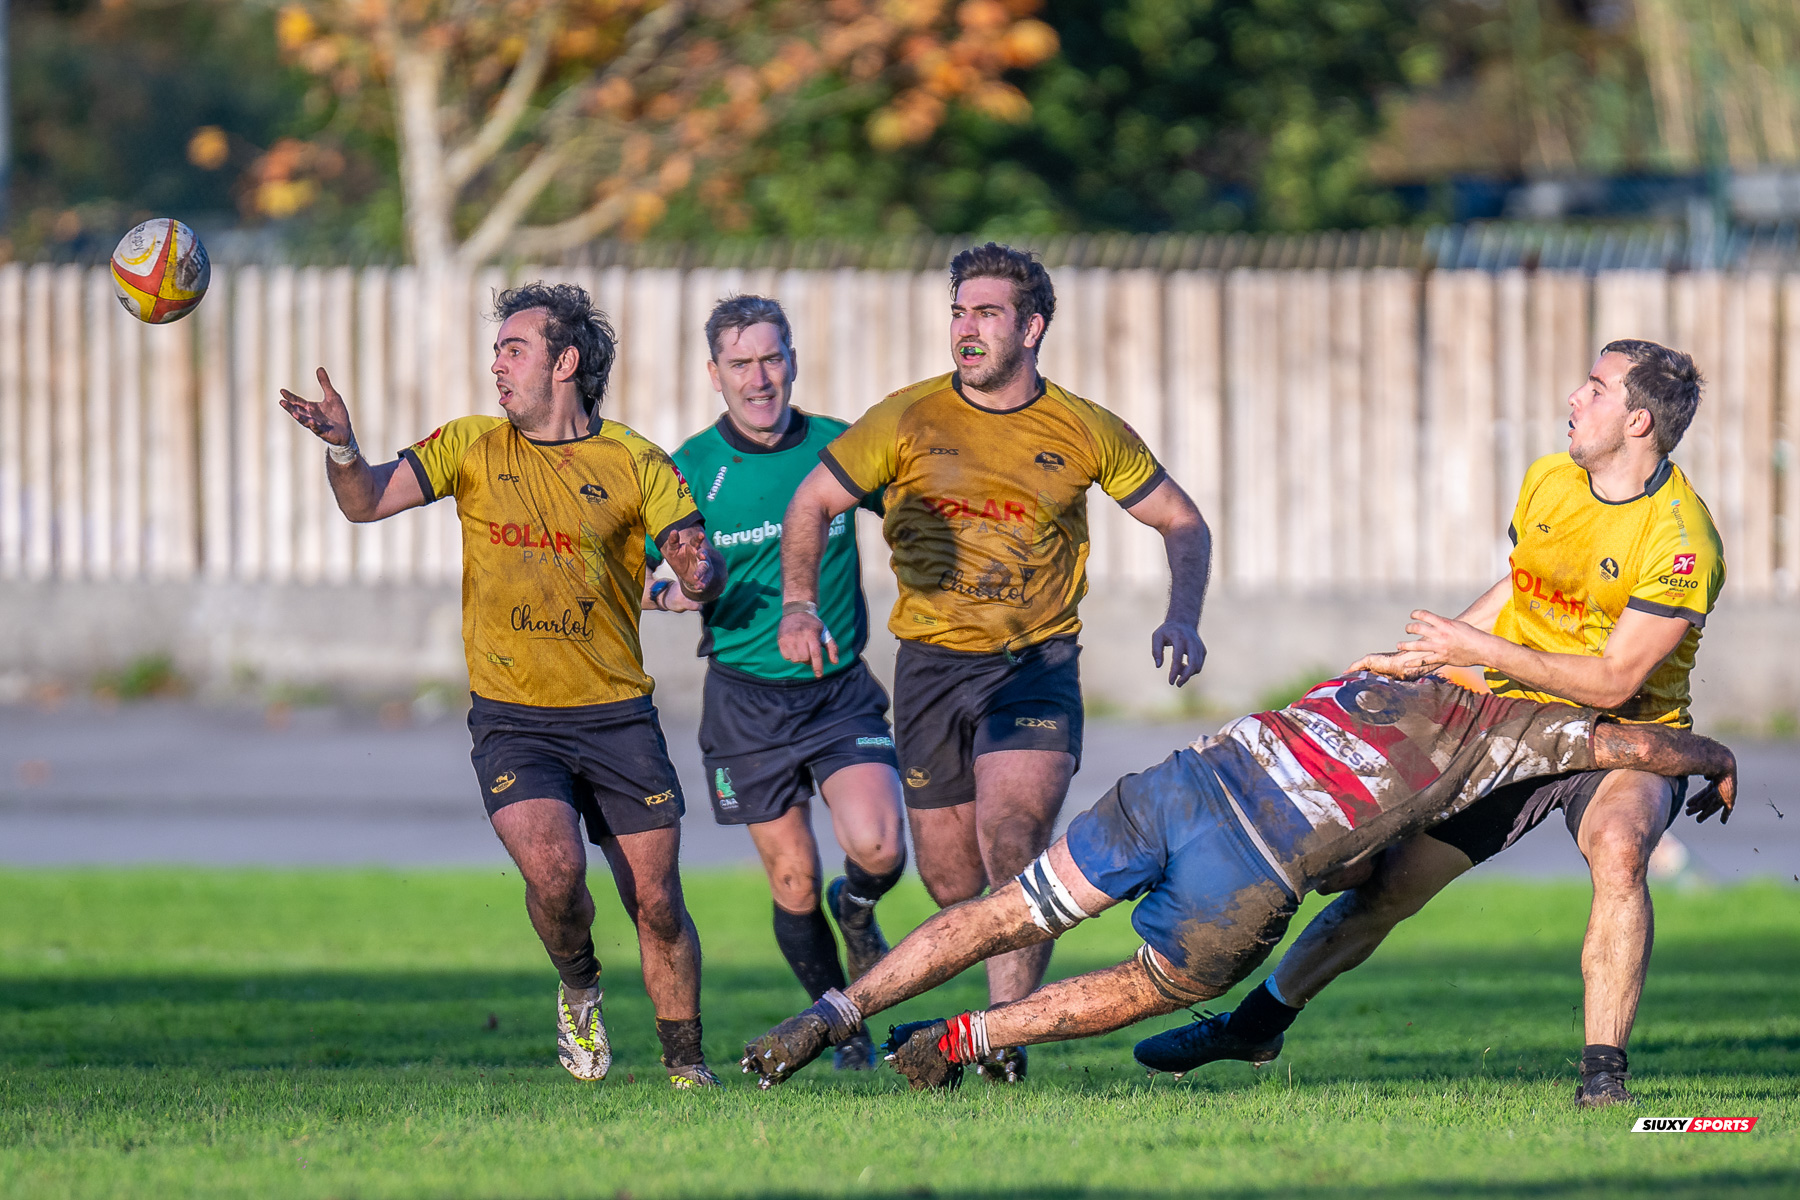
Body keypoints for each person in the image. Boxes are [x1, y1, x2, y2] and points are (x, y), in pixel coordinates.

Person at [1145, 339, 1725, 1108]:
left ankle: (1602, 1079)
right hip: (1510, 723)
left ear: (1639, 419)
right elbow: (1519, 590)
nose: (1576, 398)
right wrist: (1427, 654)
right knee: (1387, 888)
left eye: (1596, 386)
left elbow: (1617, 681)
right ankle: (1254, 1026)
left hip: (1625, 738)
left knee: (1619, 852)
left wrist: (1476, 649)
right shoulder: (1552, 480)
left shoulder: (1682, 541)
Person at [738, 671, 1737, 1090]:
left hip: (1186, 782)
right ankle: (963, 1038)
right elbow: (1627, 741)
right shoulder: (1521, 726)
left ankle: (837, 1010)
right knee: (1144, 986)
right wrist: (1712, 754)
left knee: (1006, 912)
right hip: (1252, 870)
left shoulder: (1403, 660)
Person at [277, 282, 729, 1089]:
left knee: (657, 903)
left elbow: (692, 557)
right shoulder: (473, 446)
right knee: (555, 876)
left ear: (566, 361)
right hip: (515, 720)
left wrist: (698, 564)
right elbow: (367, 502)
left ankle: (687, 1068)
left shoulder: (635, 461)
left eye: (512, 349)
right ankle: (581, 988)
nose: (496, 365)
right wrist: (343, 447)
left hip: (619, 717)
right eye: (496, 350)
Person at [776, 243, 1212, 1081]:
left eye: (985, 314)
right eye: (957, 312)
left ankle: (1001, 1041)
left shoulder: (1084, 428)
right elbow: (815, 501)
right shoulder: (906, 418)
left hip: (1034, 664)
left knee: (1015, 844)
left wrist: (1182, 615)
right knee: (952, 878)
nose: (965, 330)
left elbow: (1182, 521)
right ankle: (986, 1011)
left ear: (1032, 326)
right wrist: (799, 603)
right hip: (932, 665)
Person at [642, 295, 907, 1070]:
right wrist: (676, 591)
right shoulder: (690, 468)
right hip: (745, 702)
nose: (759, 378)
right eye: (741, 364)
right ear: (714, 375)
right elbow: (638, 580)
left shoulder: (837, 447)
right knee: (793, 878)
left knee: (881, 848)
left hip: (837, 689)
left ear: (792, 359)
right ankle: (842, 1028)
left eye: (771, 358)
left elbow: (917, 515)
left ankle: (857, 911)